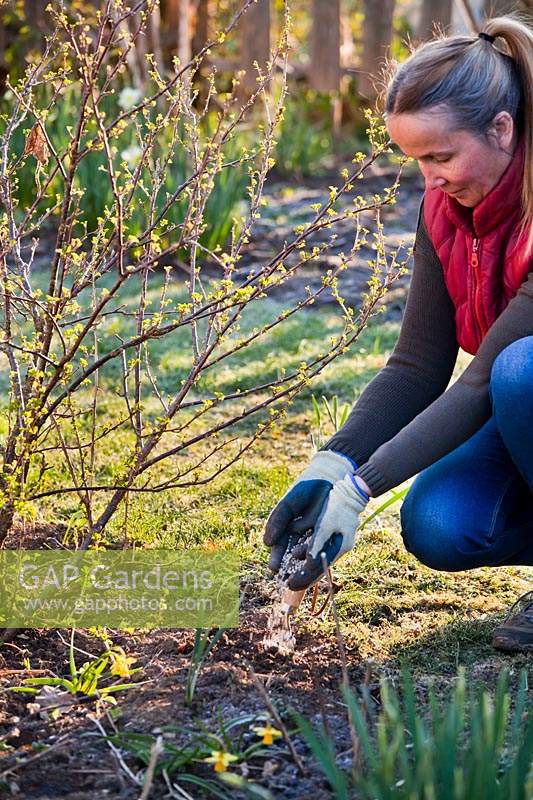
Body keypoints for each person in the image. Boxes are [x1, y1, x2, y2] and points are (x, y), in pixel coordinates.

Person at [264, 16, 533, 653]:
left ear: (502, 128)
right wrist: (332, 464)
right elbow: (417, 364)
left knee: (519, 371)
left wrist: (359, 491)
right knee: (439, 522)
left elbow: (474, 390)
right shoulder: (445, 207)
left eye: (441, 156)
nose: (430, 179)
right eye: (417, 160)